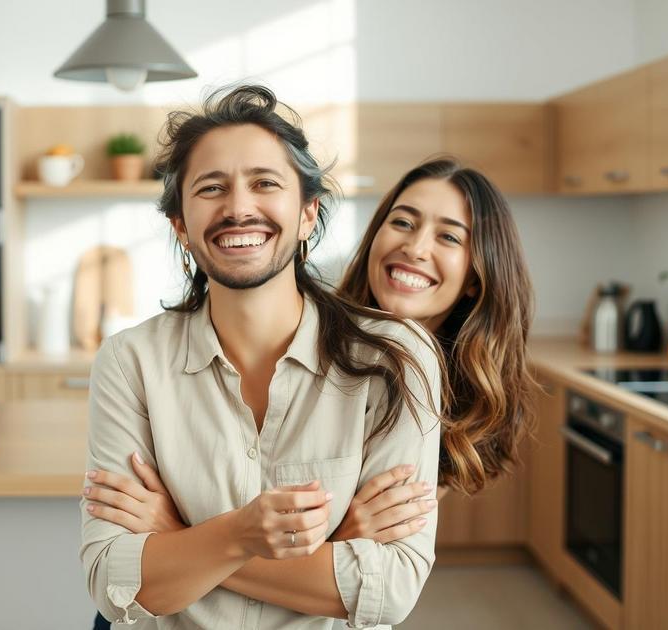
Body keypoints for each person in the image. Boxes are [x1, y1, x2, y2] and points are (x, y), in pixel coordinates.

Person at [81, 85, 445, 629]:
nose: (238, 208)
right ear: (181, 226)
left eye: (265, 183)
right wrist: (247, 536)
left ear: (307, 214)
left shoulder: (397, 357)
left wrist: (183, 538)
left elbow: (390, 588)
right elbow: (113, 583)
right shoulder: (129, 361)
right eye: (211, 188)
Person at [87, 157, 537, 555]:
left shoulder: (452, 401)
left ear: (477, 275)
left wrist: (179, 540)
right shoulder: (305, 335)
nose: (415, 248)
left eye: (449, 237)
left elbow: (365, 568)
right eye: (402, 222)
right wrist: (333, 543)